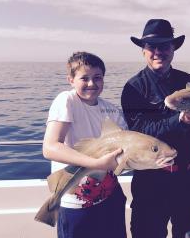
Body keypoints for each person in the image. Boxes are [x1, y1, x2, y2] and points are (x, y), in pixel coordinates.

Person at [121, 19, 190, 238]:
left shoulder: (187, 80)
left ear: (173, 49)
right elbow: (139, 132)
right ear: (143, 51)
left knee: (188, 233)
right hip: (150, 180)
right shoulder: (133, 87)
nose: (158, 52)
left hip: (188, 179)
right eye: (152, 47)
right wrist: (180, 120)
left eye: (164, 46)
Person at [43, 51, 128, 238]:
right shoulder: (67, 100)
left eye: (97, 78)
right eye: (85, 78)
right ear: (71, 80)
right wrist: (97, 164)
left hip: (110, 197)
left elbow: (124, 150)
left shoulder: (111, 110)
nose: (92, 83)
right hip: (76, 202)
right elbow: (50, 147)